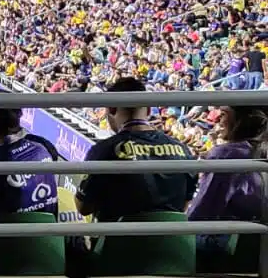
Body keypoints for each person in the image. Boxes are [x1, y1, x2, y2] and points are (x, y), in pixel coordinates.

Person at [77, 77, 196, 223]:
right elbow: (183, 206)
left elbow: (83, 207)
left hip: (119, 243)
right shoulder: (183, 151)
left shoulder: (105, 150)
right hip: (172, 243)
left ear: (112, 109)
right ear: (147, 110)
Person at [188, 105, 268, 259]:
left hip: (235, 246)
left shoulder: (227, 154)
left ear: (242, 120)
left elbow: (201, 213)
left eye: (223, 114)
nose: (216, 118)